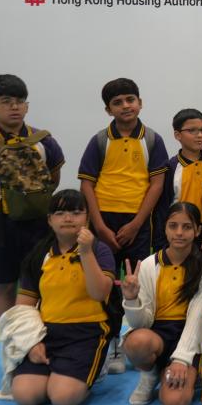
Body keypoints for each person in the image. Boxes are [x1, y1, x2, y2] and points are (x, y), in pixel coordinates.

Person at [77, 77, 169, 372]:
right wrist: (100, 227)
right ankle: (110, 344)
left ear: (140, 103)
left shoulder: (152, 139)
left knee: (136, 285)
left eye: (130, 99)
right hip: (103, 221)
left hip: (138, 224)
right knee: (104, 287)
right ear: (108, 110)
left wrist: (136, 223)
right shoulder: (99, 141)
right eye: (117, 102)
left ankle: (136, 343)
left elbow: (157, 184)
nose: (125, 106)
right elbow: (87, 185)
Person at [0, 74, 66, 321]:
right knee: (5, 285)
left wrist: (31, 202)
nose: (14, 107)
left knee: (42, 281)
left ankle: (41, 336)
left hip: (38, 220)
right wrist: (0, 203)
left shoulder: (44, 141)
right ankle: (9, 338)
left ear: (26, 106)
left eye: (20, 101)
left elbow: (54, 179)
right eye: (6, 101)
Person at [9, 189, 113, 405]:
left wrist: (86, 252)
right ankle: (58, 372)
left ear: (87, 218)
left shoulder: (100, 250)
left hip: (87, 333)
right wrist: (31, 343)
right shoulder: (38, 256)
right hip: (46, 333)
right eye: (60, 213)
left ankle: (96, 367)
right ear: (49, 220)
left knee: (63, 399)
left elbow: (99, 293)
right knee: (25, 396)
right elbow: (23, 308)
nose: (68, 218)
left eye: (76, 212)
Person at [120, 202, 202, 405]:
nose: (179, 233)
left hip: (189, 338)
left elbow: (197, 317)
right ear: (164, 228)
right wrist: (131, 300)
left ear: (197, 230)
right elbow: (142, 323)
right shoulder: (148, 264)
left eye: (187, 227)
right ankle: (150, 374)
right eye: (173, 226)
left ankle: (191, 371)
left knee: (175, 402)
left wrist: (181, 359)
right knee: (136, 342)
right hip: (157, 337)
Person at [159, 108, 202, 252]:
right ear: (177, 135)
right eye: (192, 130)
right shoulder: (170, 167)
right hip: (177, 231)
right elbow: (163, 206)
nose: (200, 135)